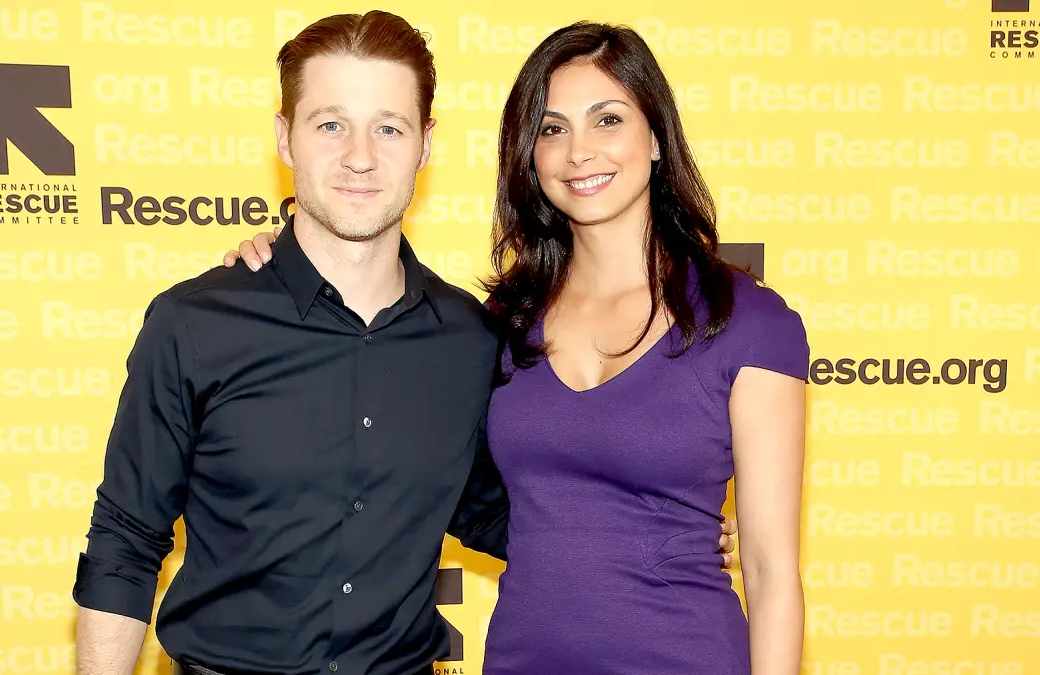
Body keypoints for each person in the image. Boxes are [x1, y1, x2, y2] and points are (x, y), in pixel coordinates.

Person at [74, 11, 736, 675]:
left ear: (424, 144)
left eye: (388, 128)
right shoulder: (195, 324)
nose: (359, 156)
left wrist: (667, 526)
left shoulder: (475, 336)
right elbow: (124, 544)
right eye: (330, 124)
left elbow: (509, 511)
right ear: (285, 138)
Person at [224, 20, 805, 675]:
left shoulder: (751, 322)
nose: (579, 151)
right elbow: (418, 466)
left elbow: (770, 567)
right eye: (552, 129)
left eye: (607, 119)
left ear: (655, 139)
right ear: (530, 154)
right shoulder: (498, 324)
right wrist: (278, 271)